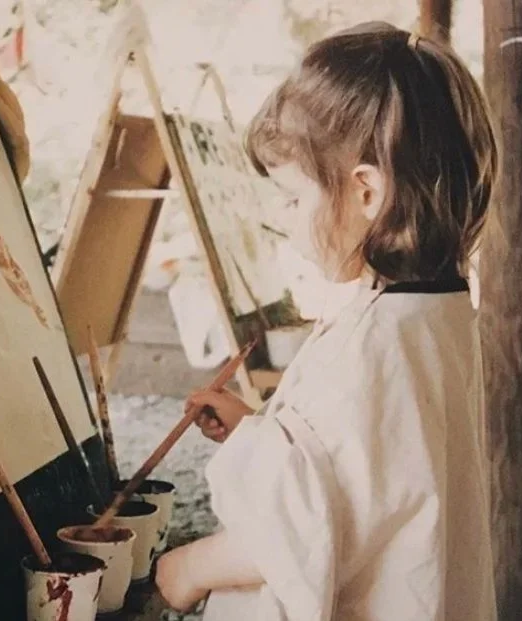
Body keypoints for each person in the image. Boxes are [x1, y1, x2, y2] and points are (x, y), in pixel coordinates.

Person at [155, 22, 498, 620]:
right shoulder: (431, 316)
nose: (285, 218)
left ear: (366, 193)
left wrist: (188, 568)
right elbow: (358, 477)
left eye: (293, 198)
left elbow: (295, 538)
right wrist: (256, 432)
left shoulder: (372, 345)